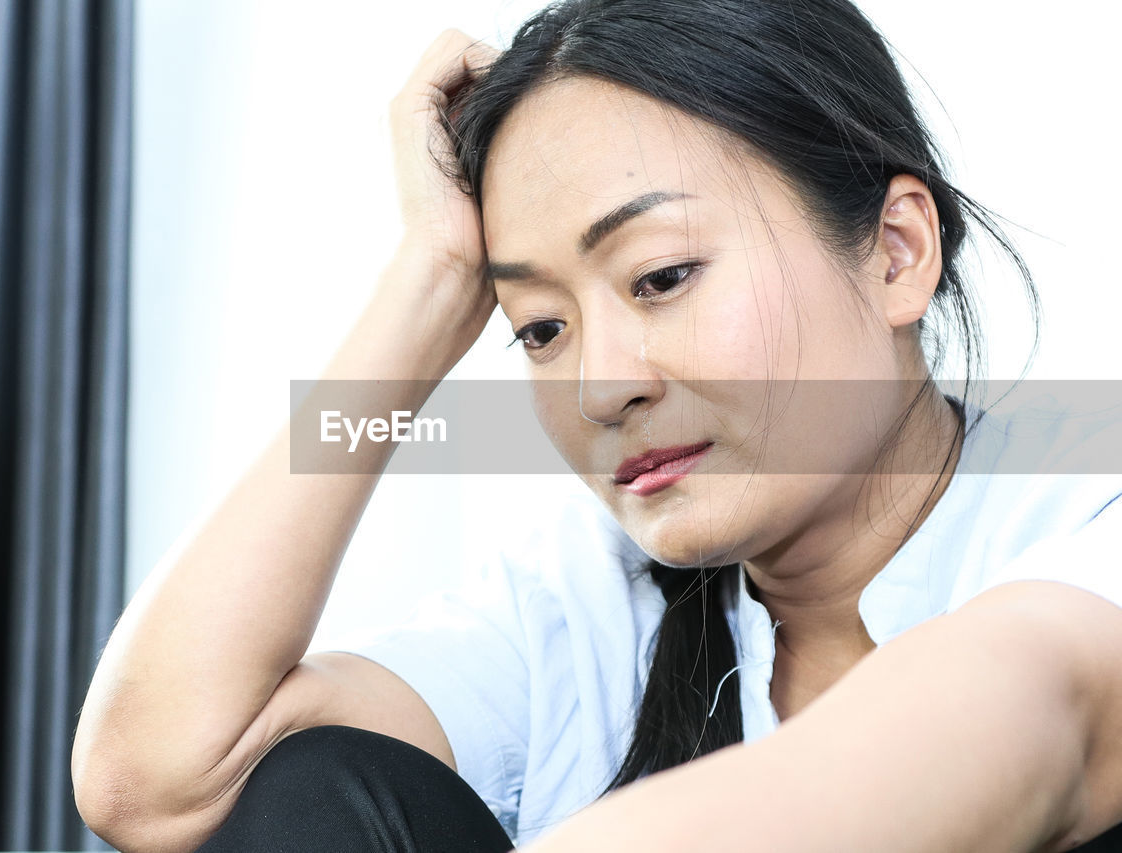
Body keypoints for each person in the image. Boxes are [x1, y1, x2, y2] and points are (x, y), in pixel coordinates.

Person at [71, 0, 1122, 850]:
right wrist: (427, 285)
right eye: (538, 329)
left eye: (660, 276)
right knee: (313, 784)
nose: (596, 386)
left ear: (893, 252)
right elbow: (156, 777)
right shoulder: (581, 606)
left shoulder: (1086, 516)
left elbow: (1010, 715)